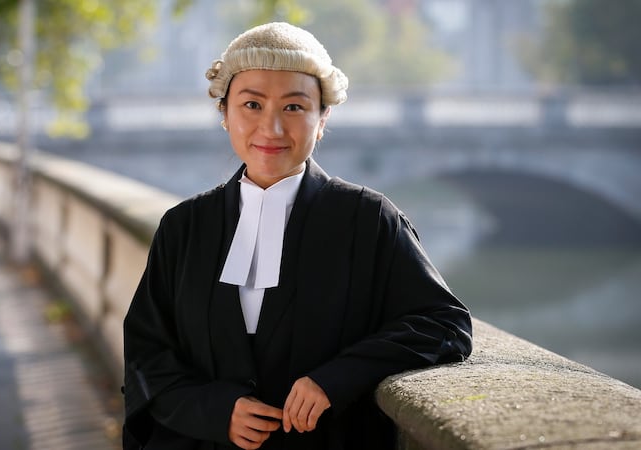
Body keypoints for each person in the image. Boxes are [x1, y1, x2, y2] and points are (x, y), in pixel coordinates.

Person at [122, 22, 472, 450]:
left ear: (322, 119)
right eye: (252, 104)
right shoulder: (183, 227)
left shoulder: (368, 219)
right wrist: (214, 410)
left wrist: (336, 378)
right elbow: (146, 351)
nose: (270, 129)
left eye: (293, 107)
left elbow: (443, 324)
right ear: (225, 114)